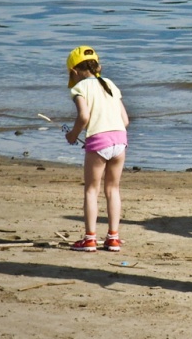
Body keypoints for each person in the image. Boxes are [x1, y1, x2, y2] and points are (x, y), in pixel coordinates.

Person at [64, 46, 129, 252]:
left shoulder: (79, 89)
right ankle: (113, 238)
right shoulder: (110, 84)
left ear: (73, 72)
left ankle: (90, 239)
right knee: (113, 189)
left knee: (92, 190)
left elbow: (84, 117)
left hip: (98, 142)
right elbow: (125, 120)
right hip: (120, 140)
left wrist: (73, 134)